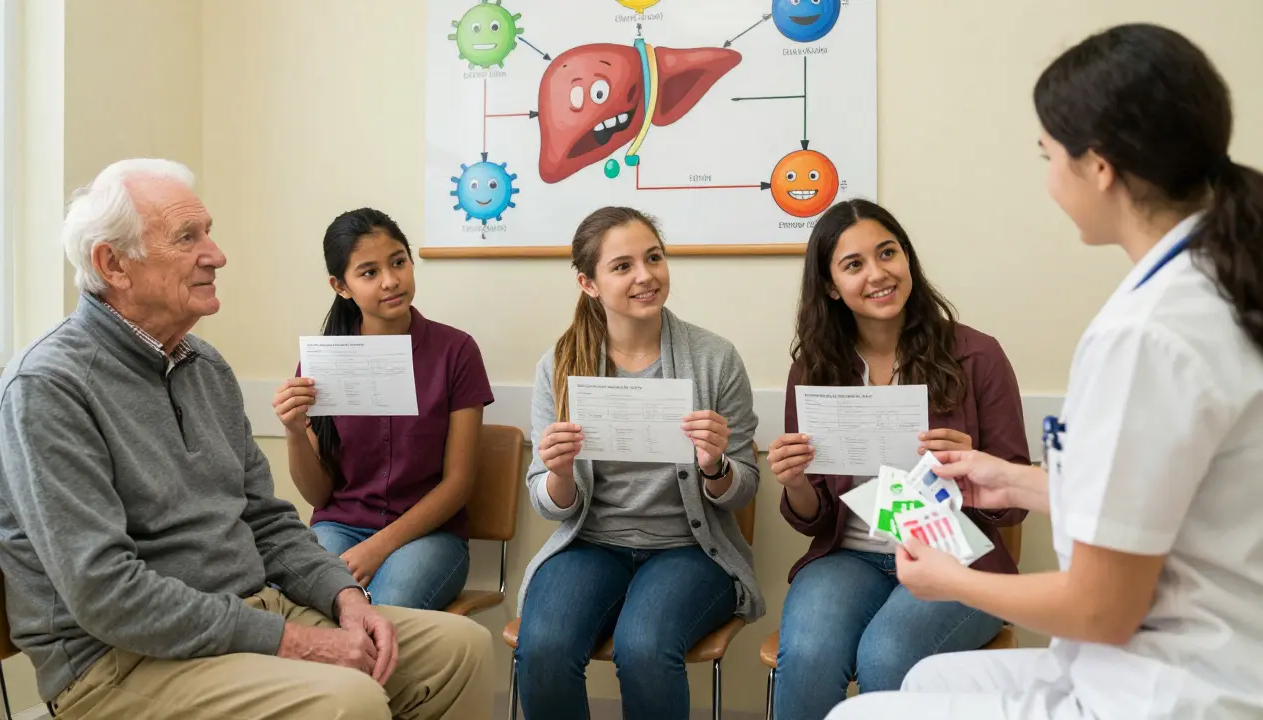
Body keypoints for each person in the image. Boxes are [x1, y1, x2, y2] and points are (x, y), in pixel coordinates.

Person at [830, 23, 1263, 720]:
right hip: (1197, 652)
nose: (1048, 179)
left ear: (1100, 167)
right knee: (920, 685)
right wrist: (1011, 479)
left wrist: (952, 582)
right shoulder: (1216, 283)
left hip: (1171, 688)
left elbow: (1100, 607)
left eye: (1049, 156)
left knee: (856, 714)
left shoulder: (1147, 335)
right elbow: (1155, 498)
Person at [0, 159, 494, 718]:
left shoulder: (205, 366)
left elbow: (268, 520)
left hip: (252, 609)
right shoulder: (48, 388)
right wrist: (295, 641)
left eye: (208, 232)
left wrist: (345, 597)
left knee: (460, 648)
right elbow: (107, 594)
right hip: (119, 660)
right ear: (114, 264)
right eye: (188, 238)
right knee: (348, 699)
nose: (217, 254)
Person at [766, 199, 1030, 717]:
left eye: (888, 253)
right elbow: (812, 516)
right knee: (809, 655)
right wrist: (795, 481)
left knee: (889, 656)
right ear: (828, 285)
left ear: (907, 258)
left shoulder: (977, 356)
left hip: (956, 556)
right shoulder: (814, 371)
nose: (878, 273)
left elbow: (1015, 503)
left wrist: (975, 464)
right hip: (848, 557)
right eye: (854, 264)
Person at [512, 206, 763, 720]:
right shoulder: (559, 364)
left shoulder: (715, 359)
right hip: (591, 544)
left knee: (645, 647)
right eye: (622, 266)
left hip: (691, 549)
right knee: (542, 647)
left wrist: (716, 465)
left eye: (653, 258)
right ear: (589, 283)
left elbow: (745, 488)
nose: (646, 276)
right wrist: (559, 473)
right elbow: (549, 504)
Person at [271, 208, 493, 610]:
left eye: (398, 262)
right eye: (369, 272)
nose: (391, 281)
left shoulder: (456, 351)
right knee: (307, 609)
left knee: (386, 612)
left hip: (431, 536)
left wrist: (378, 547)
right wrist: (293, 431)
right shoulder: (324, 361)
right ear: (341, 286)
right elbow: (319, 493)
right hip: (338, 527)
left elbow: (458, 484)